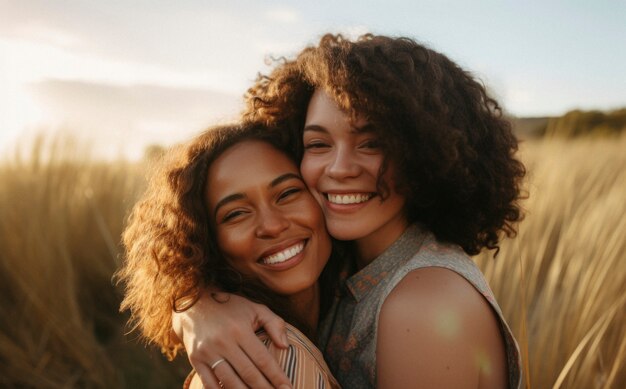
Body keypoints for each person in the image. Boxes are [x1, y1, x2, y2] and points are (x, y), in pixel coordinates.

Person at [174, 33, 526, 389]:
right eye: (318, 144)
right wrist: (197, 309)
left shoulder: (422, 304)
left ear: (423, 153)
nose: (340, 169)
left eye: (371, 143)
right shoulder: (341, 263)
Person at [116, 123, 342, 389]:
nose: (272, 225)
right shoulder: (273, 359)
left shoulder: (350, 290)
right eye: (236, 213)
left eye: (287, 193)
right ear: (205, 242)